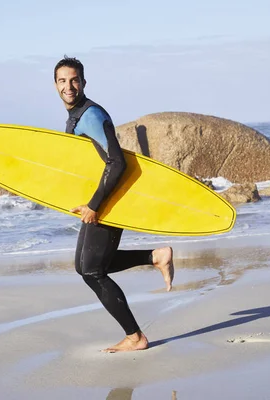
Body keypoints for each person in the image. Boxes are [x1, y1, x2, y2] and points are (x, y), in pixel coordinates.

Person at [54, 56, 175, 353]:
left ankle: (135, 337)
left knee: (92, 271)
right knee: (84, 267)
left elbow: (117, 161)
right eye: (62, 81)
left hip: (109, 200)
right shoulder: (76, 115)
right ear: (55, 85)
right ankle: (155, 257)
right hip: (101, 199)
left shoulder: (91, 115)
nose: (68, 86)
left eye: (74, 80)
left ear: (83, 82)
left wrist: (95, 204)